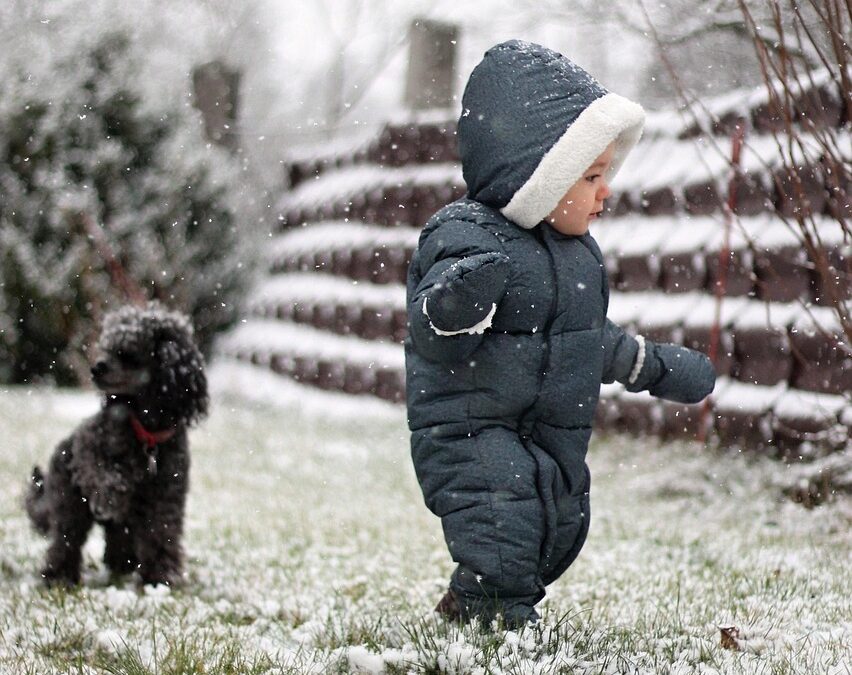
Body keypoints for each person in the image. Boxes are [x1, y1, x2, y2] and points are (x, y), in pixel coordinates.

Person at [404, 40, 716, 628]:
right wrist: (460, 300)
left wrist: (653, 365)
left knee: (558, 524)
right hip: (470, 427)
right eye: (591, 175)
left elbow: (586, 339)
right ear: (537, 179)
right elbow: (434, 333)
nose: (606, 190)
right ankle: (499, 623)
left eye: (606, 174)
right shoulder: (465, 237)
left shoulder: (577, 257)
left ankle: (471, 601)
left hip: (549, 430)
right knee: (503, 522)